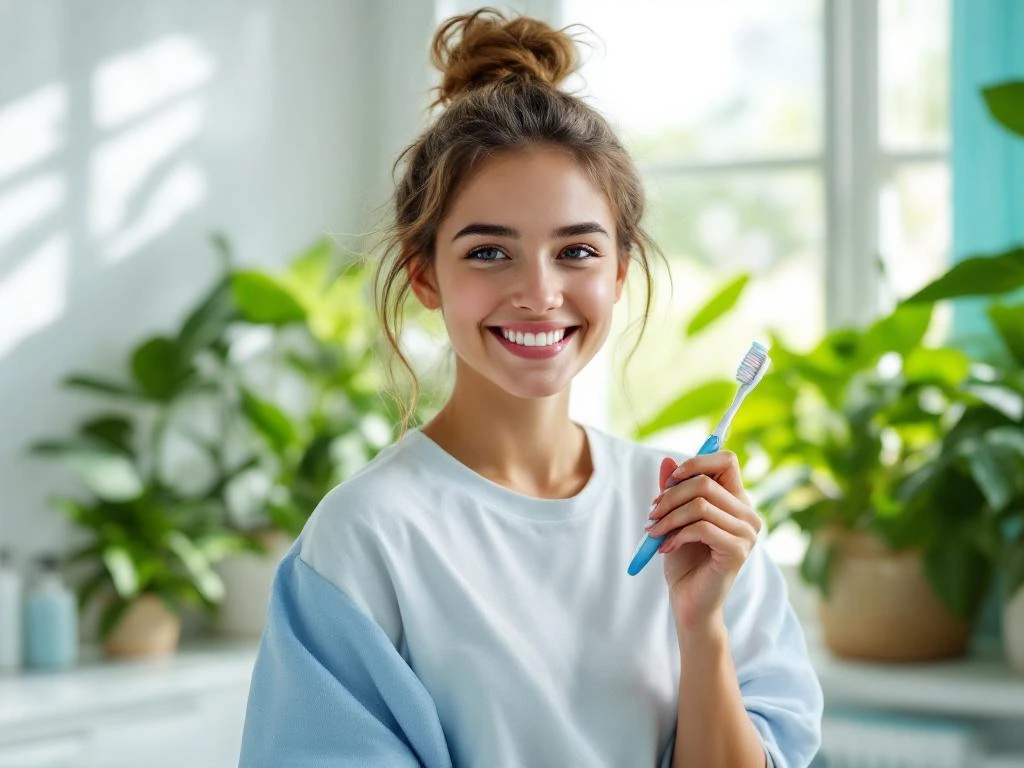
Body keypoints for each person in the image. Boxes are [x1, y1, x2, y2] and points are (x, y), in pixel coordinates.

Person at [239, 8, 823, 768]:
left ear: (617, 274)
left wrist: (702, 626)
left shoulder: (691, 522)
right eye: (489, 253)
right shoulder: (364, 542)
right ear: (425, 275)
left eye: (576, 250)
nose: (539, 293)